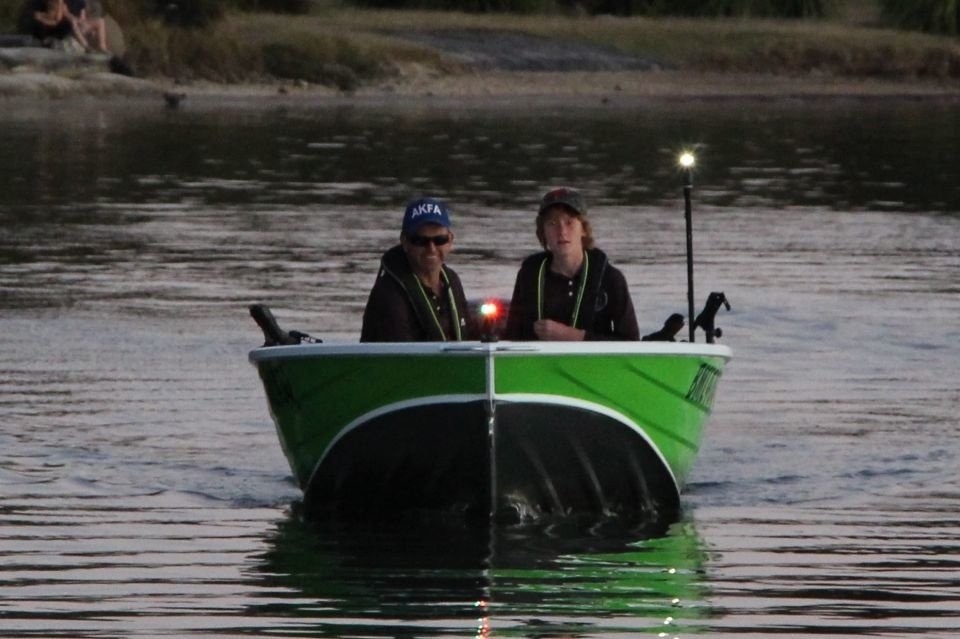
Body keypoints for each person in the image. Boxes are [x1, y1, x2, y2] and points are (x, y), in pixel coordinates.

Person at [503, 187, 639, 341]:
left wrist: (573, 336)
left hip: (593, 364)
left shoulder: (611, 279)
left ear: (583, 229)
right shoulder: (528, 275)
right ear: (543, 232)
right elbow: (512, 337)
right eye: (552, 223)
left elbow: (631, 341)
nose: (562, 231)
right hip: (539, 363)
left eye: (569, 222)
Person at [360, 197, 473, 342]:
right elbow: (399, 356)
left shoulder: (452, 280)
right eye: (421, 241)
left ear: (450, 240)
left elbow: (469, 336)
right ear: (405, 242)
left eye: (440, 240)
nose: (431, 249)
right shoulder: (388, 293)